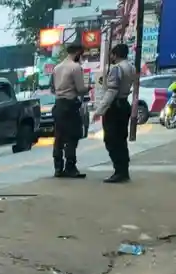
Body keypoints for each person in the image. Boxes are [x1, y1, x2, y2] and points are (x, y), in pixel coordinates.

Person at [92, 43, 137, 184]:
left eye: (111, 54)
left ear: (115, 55)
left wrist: (100, 110)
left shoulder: (117, 69)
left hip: (115, 107)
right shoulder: (131, 67)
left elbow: (111, 91)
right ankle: (123, 170)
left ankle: (119, 171)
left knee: (112, 140)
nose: (110, 57)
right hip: (124, 104)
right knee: (121, 139)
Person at [51, 42, 87, 179]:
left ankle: (58, 168)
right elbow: (80, 89)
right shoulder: (75, 67)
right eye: (81, 54)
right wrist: (88, 88)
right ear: (78, 52)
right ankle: (70, 167)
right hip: (70, 105)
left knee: (59, 138)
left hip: (58, 104)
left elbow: (53, 88)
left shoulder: (57, 68)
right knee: (72, 136)